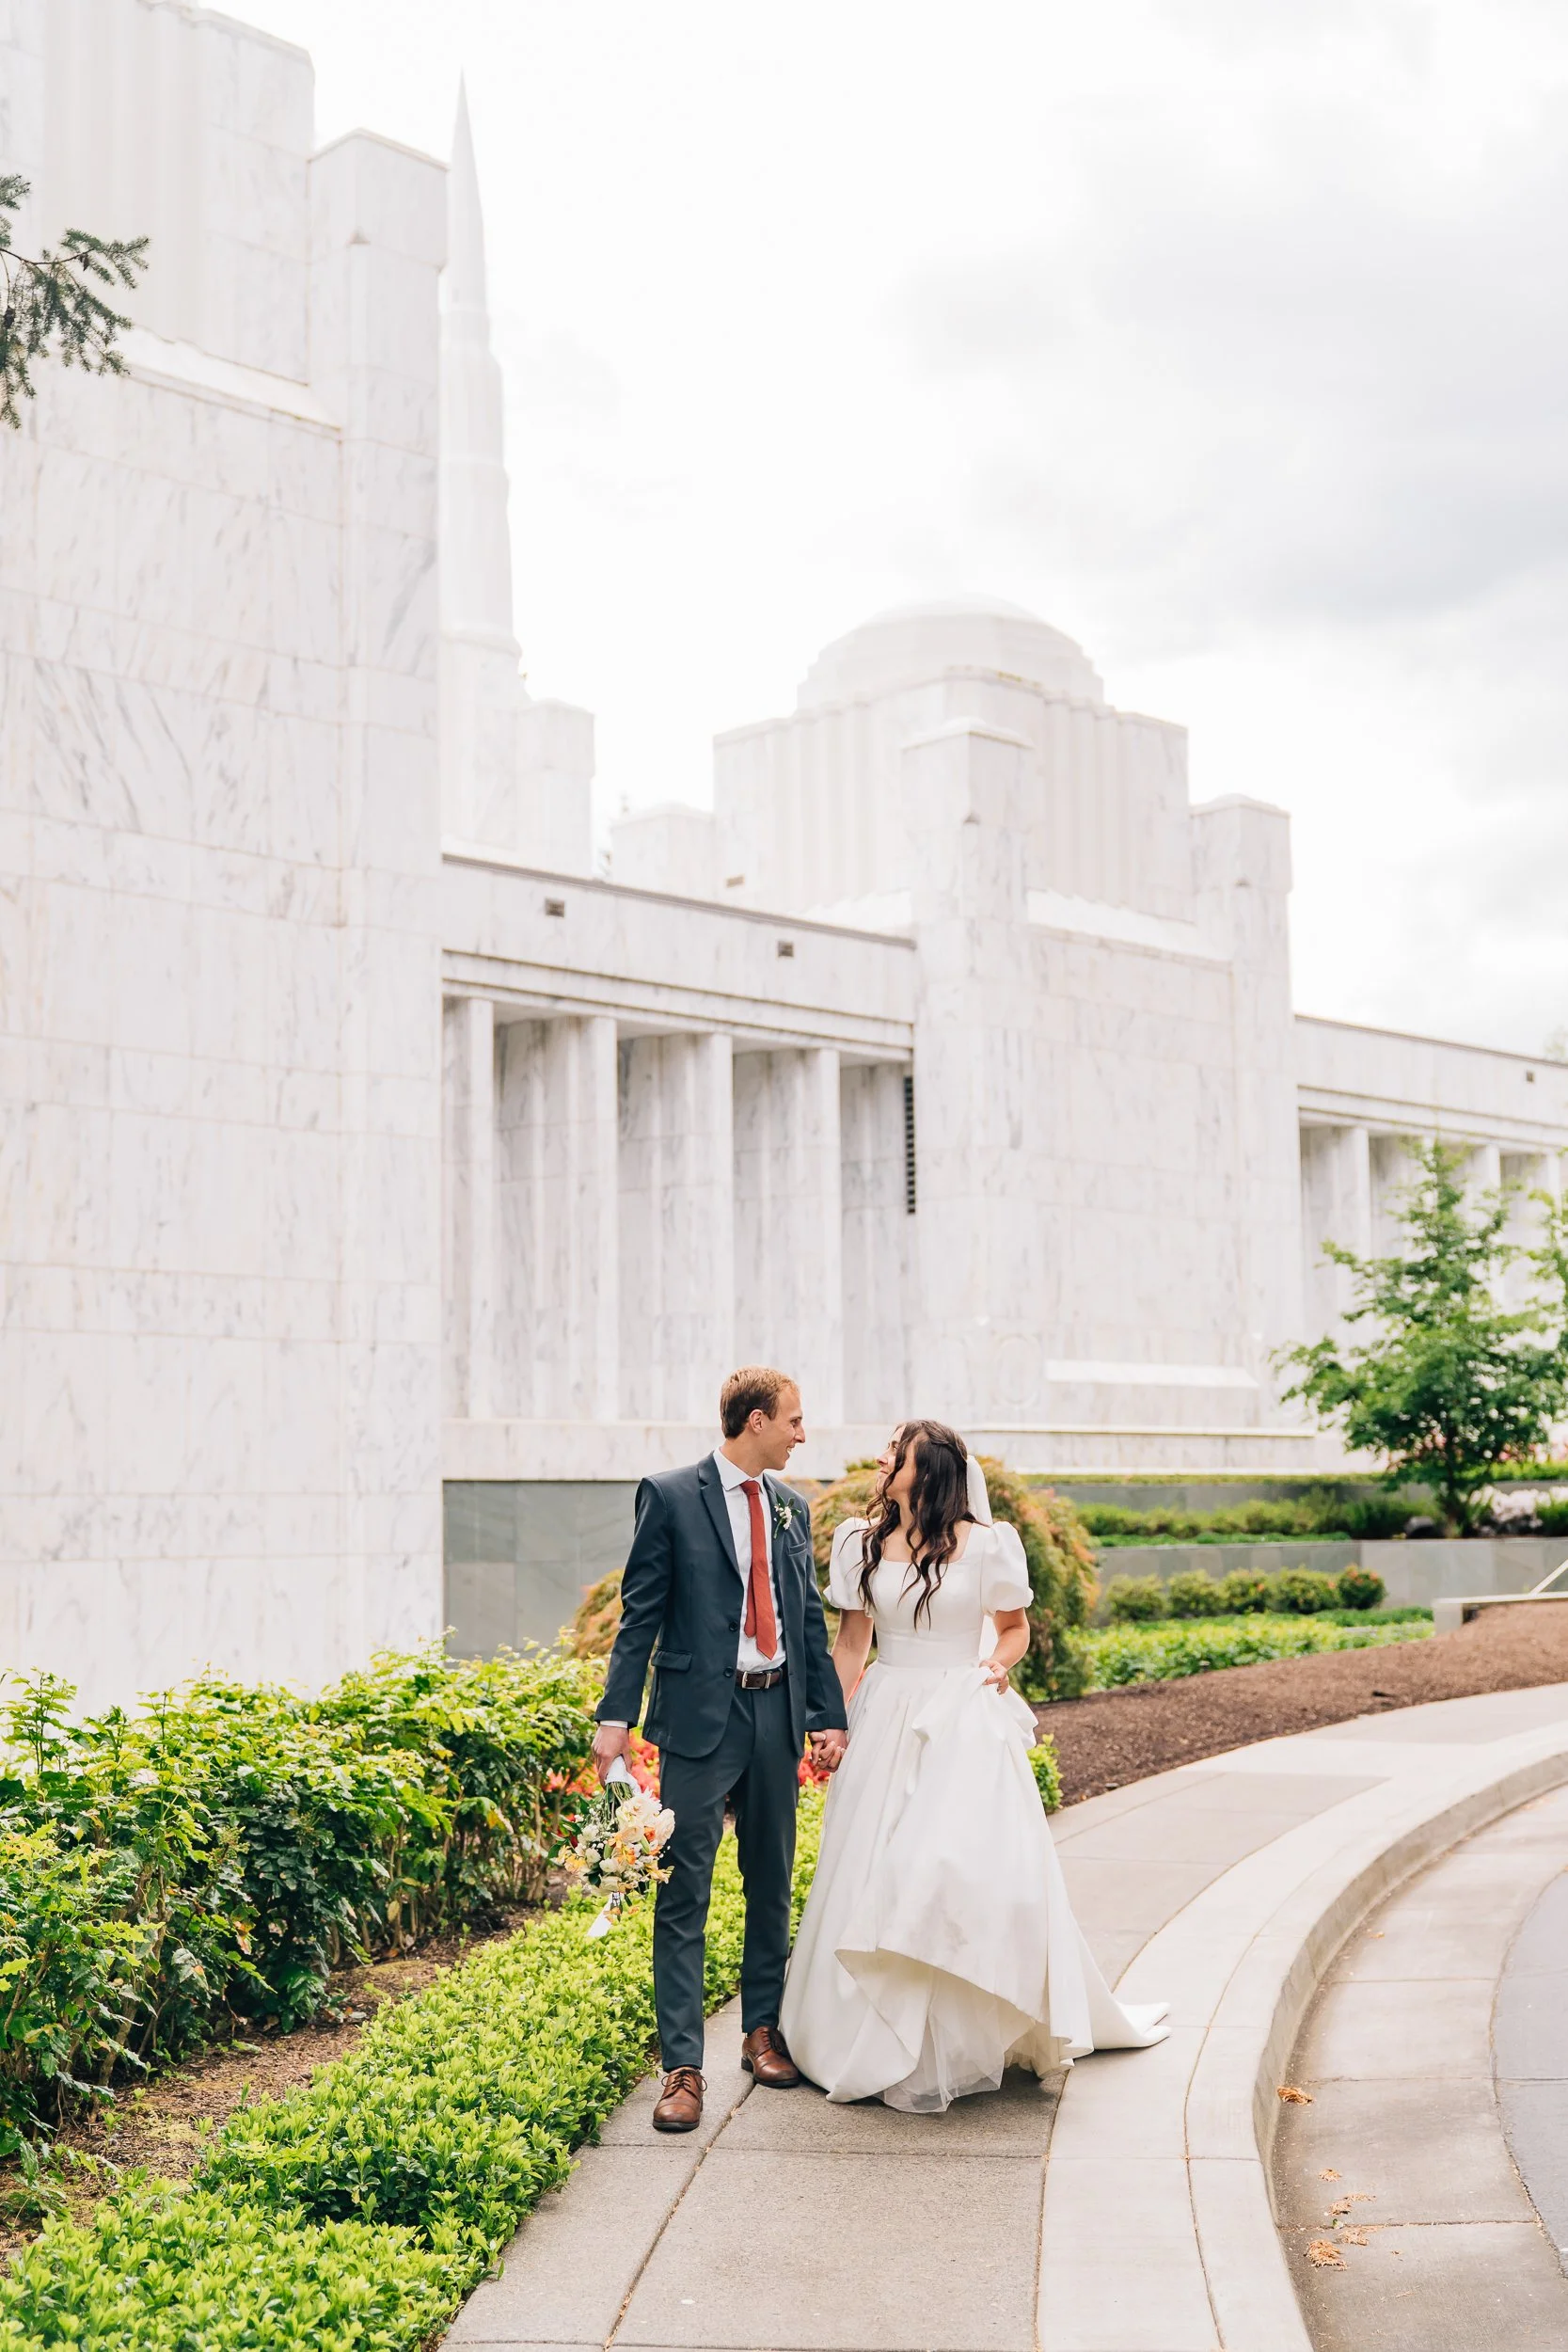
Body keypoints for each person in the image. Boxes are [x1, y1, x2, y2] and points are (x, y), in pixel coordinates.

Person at [780, 1419, 1167, 2111]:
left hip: (962, 1719)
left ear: (924, 1468)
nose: (880, 1458)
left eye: (893, 1452)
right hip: (886, 1711)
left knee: (948, 1871)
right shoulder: (857, 1541)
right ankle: (865, 2033)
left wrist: (996, 1663)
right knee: (875, 1864)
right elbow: (850, 1646)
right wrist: (831, 1722)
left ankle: (966, 2020)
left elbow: (1014, 1629)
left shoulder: (989, 1545)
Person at [593, 1365, 848, 2133]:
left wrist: (826, 1715)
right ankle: (681, 2067)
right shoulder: (669, 1495)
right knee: (684, 1891)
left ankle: (760, 2030)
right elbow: (639, 1616)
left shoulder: (791, 1509)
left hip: (774, 1716)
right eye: (795, 1421)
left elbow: (806, 1617)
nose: (803, 1435)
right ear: (758, 1420)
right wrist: (615, 1718)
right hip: (700, 1719)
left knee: (770, 1879)